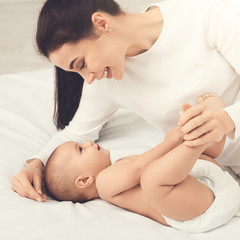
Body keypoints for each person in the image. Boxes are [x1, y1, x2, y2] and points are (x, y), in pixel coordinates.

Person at [11, 0, 240, 202]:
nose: (88, 78)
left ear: (101, 23)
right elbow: (76, 134)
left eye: (81, 64)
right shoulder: (106, 81)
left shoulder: (205, 15)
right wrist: (36, 164)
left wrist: (224, 120)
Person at [43, 94, 240, 233]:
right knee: (151, 179)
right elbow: (139, 170)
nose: (88, 143)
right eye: (80, 149)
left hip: (202, 185)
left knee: (168, 163)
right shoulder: (104, 183)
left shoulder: (117, 165)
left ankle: (208, 129)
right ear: (84, 180)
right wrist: (171, 141)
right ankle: (201, 136)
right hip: (195, 210)